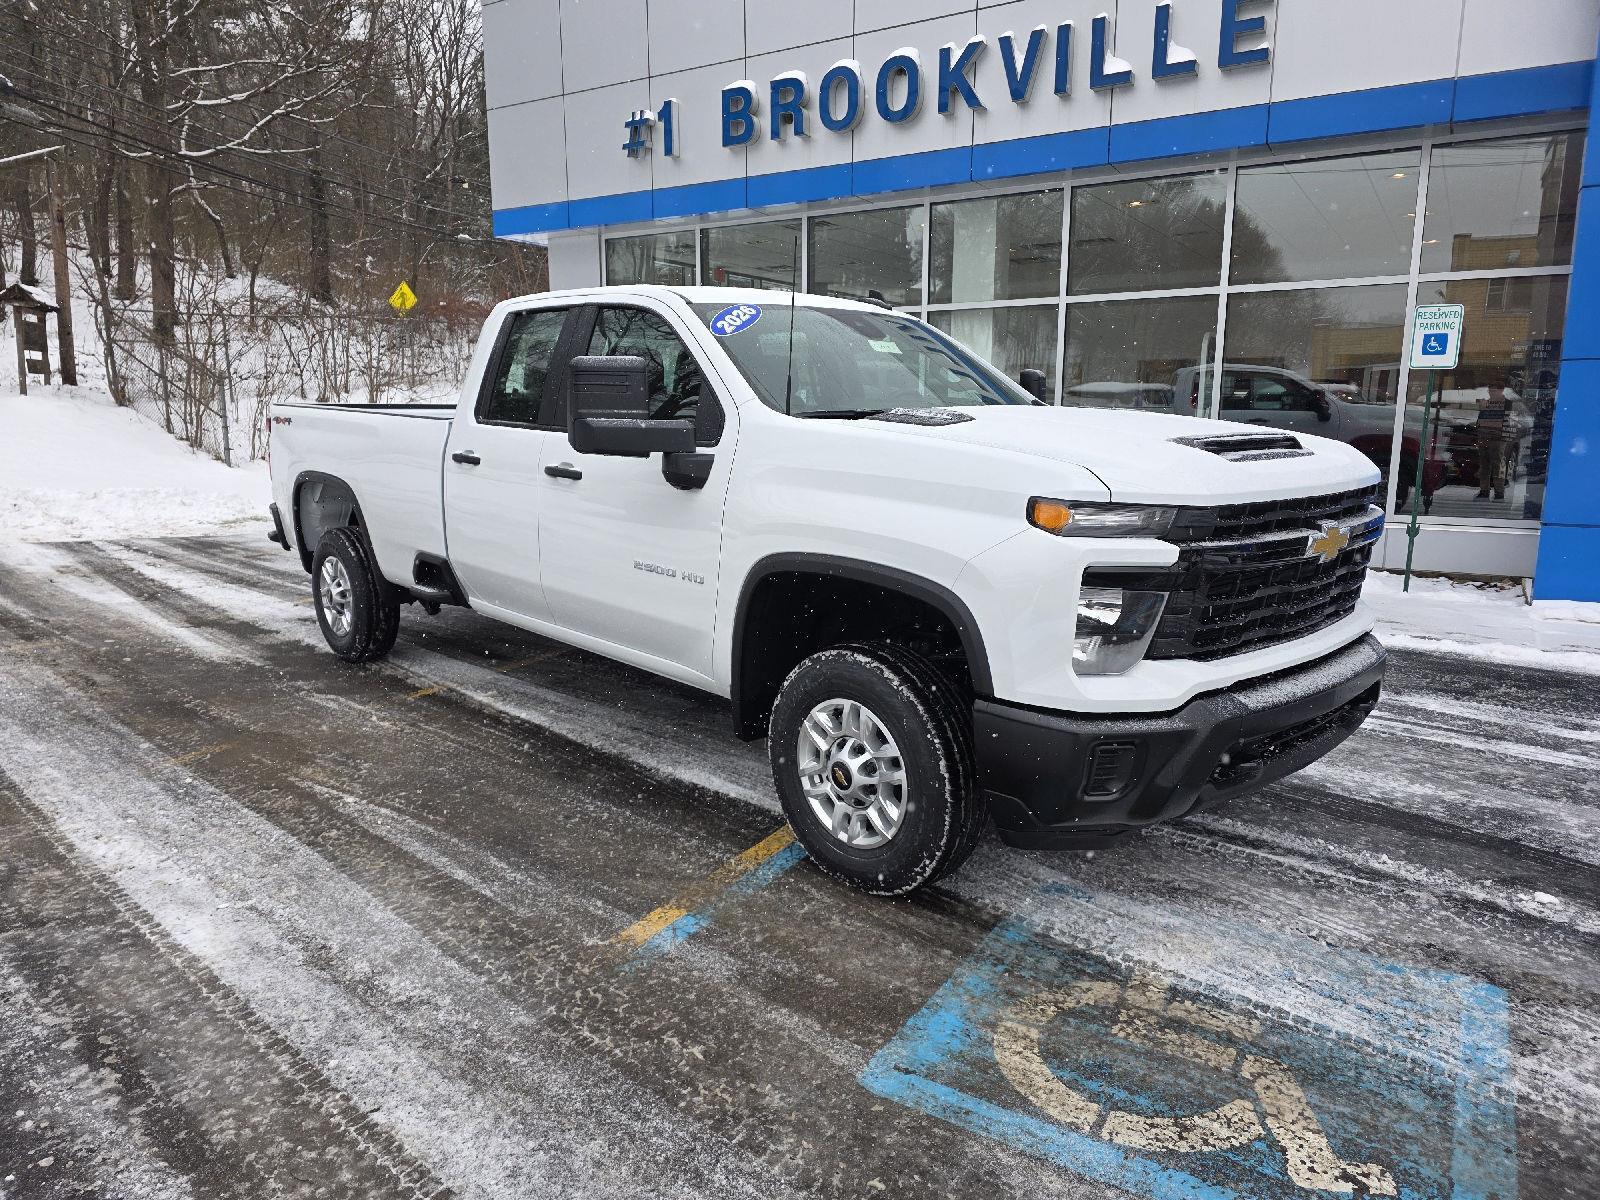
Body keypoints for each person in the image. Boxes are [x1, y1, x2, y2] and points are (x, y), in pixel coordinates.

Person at [1473, 379, 1522, 501]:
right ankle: (1485, 490)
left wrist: (1504, 436)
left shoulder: (1507, 403)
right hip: (1485, 437)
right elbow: (1480, 420)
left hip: (1498, 439)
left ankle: (1499, 491)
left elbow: (1511, 421)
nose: (1490, 392)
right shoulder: (1487, 403)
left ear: (1501, 390)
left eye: (1493, 389)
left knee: (1497, 464)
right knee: (1485, 465)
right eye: (1490, 389)